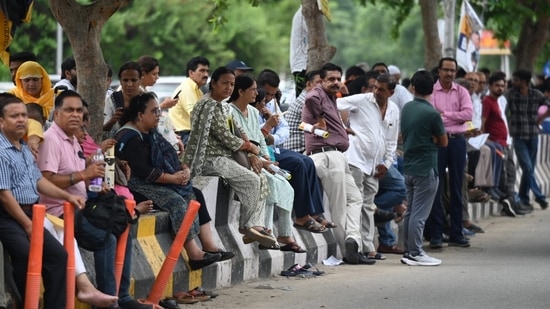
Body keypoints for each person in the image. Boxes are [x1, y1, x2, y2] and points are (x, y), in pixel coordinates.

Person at [38, 90, 152, 309]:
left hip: (82, 204)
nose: (75, 115)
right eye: (69, 110)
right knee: (104, 239)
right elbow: (46, 179)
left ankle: (122, 296)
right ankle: (108, 302)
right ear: (56, 113)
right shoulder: (52, 139)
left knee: (122, 228)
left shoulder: (72, 139)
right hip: (60, 211)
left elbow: (77, 175)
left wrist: (94, 184)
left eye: (79, 110)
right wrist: (84, 175)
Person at [114, 92, 232, 266]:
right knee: (177, 201)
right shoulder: (130, 137)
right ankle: (194, 253)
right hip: (134, 185)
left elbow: (166, 155)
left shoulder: (150, 133)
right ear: (140, 115)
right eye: (154, 111)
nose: (158, 115)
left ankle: (209, 246)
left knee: (194, 194)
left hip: (152, 181)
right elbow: (145, 171)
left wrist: (181, 169)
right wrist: (173, 178)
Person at [0, 93, 83, 308]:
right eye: (14, 116)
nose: (21, 120)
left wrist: (67, 196)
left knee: (58, 257)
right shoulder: (1, 151)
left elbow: (39, 181)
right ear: (1, 122)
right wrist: (28, 225)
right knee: (27, 255)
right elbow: (3, 195)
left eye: (23, 116)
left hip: (32, 213)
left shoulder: (23, 148)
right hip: (7, 215)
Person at [183, 66, 276, 248]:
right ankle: (247, 226)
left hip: (225, 157)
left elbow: (238, 131)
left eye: (232, 84)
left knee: (259, 176)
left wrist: (250, 150)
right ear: (214, 84)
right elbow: (225, 137)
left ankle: (254, 226)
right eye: (224, 83)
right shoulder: (208, 105)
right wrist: (250, 147)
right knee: (251, 180)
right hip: (209, 158)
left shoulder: (222, 106)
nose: (228, 88)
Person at [302, 62, 372, 265]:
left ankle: (352, 240)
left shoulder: (332, 97)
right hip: (326, 156)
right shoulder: (316, 96)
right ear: (321, 81)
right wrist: (317, 91)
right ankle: (348, 251)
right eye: (330, 79)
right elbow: (311, 99)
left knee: (356, 198)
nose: (335, 82)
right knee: (339, 206)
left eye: (337, 79)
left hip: (337, 157)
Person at [228, 74, 308, 252]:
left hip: (260, 159)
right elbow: (235, 141)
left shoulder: (254, 112)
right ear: (240, 92)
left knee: (285, 185)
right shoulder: (229, 111)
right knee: (270, 183)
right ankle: (266, 232)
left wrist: (267, 159)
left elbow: (260, 140)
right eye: (253, 90)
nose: (257, 94)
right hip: (243, 159)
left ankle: (285, 234)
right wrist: (259, 159)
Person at [256, 69, 334, 232]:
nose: (269, 98)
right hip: (261, 152)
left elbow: (285, 129)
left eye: (273, 94)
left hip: (273, 146)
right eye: (267, 94)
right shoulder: (252, 106)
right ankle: (302, 217)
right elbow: (253, 133)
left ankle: (315, 213)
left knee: (308, 162)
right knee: (298, 164)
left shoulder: (272, 103)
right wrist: (268, 126)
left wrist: (273, 138)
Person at [337, 73, 400, 261]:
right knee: (355, 202)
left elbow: (391, 140)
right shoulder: (362, 100)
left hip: (375, 166)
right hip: (355, 159)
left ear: (391, 91)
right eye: (375, 87)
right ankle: (354, 243)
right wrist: (341, 128)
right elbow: (333, 106)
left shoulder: (394, 110)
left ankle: (368, 246)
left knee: (368, 206)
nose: (376, 92)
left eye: (381, 89)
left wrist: (387, 164)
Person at [400, 70, 448, 266]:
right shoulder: (432, 113)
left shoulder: (407, 108)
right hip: (426, 167)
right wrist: (434, 137)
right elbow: (443, 142)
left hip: (409, 165)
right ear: (433, 88)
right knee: (419, 215)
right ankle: (416, 252)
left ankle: (408, 250)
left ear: (413, 87)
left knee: (410, 212)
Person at [427, 57, 473, 249]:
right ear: (439, 71)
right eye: (446, 70)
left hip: (457, 142)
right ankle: (437, 234)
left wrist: (445, 115)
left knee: (456, 186)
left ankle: (456, 232)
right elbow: (432, 116)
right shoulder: (431, 92)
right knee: (435, 188)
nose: (449, 74)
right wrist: (453, 118)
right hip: (437, 142)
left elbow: (468, 115)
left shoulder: (462, 91)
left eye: (453, 70)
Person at [505, 69, 550, 210]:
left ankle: (523, 198)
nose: (513, 82)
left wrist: (540, 119)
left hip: (533, 135)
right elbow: (502, 110)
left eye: (516, 80)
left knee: (528, 169)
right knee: (528, 167)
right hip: (518, 136)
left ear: (524, 81)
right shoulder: (510, 94)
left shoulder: (536, 94)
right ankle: (539, 197)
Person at [136, 55, 181, 152]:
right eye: (154, 74)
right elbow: (147, 114)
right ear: (143, 74)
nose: (157, 77)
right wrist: (163, 105)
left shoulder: (144, 90)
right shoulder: (137, 91)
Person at [168, 56, 210, 145]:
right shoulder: (187, 88)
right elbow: (196, 115)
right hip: (184, 135)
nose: (206, 75)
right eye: (202, 71)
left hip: (190, 134)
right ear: (191, 73)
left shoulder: (197, 90)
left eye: (207, 71)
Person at [283, 70, 321, 154]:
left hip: (301, 149)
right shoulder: (308, 100)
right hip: (298, 151)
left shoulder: (307, 97)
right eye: (318, 82)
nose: (321, 86)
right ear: (308, 84)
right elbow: (322, 126)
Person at [103, 61, 142, 137]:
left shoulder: (147, 100)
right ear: (120, 81)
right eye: (125, 80)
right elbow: (104, 129)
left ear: (140, 80)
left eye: (133, 80)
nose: (129, 84)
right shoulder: (111, 100)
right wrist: (113, 120)